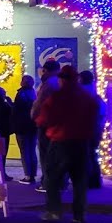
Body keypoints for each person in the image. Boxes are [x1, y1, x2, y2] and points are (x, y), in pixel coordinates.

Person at [35, 65, 100, 223]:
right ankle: (79, 214)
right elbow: (95, 119)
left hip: (60, 142)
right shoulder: (87, 97)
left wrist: (42, 123)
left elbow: (43, 119)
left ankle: (54, 210)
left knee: (53, 178)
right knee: (79, 180)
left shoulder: (56, 98)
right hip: (81, 143)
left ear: (61, 79)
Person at [31, 60, 62, 193]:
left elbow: (39, 104)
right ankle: (59, 182)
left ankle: (48, 183)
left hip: (46, 123)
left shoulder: (48, 84)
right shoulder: (62, 83)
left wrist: (33, 115)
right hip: (59, 124)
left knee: (46, 155)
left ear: (46, 70)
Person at [79, 70, 107, 189]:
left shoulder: (82, 93)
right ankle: (95, 179)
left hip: (86, 128)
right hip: (96, 128)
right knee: (92, 154)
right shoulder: (96, 94)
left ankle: (87, 180)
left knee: (85, 155)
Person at [12, 76, 39, 184]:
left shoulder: (21, 94)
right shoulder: (34, 93)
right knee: (32, 150)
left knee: (24, 151)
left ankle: (28, 175)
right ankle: (33, 173)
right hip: (32, 126)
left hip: (22, 126)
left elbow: (17, 110)